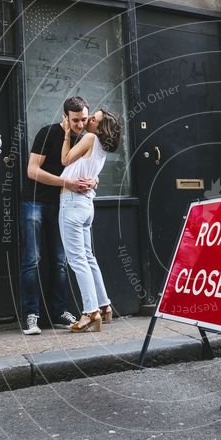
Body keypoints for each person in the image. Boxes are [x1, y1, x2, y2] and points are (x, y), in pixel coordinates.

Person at [19, 97, 96, 335]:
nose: (80, 124)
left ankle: (59, 311)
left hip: (65, 205)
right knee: (32, 259)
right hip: (35, 202)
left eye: (84, 119)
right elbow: (32, 170)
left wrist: (94, 180)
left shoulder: (86, 138)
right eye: (75, 120)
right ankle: (32, 315)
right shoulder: (47, 133)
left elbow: (91, 170)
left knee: (62, 261)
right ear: (65, 117)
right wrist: (67, 182)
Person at [58, 108, 122, 332]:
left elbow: (65, 159)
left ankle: (90, 312)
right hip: (86, 205)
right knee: (88, 257)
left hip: (72, 203)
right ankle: (104, 306)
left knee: (78, 261)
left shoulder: (90, 138)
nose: (89, 120)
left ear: (100, 127)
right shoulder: (101, 147)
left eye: (94, 119)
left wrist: (67, 134)